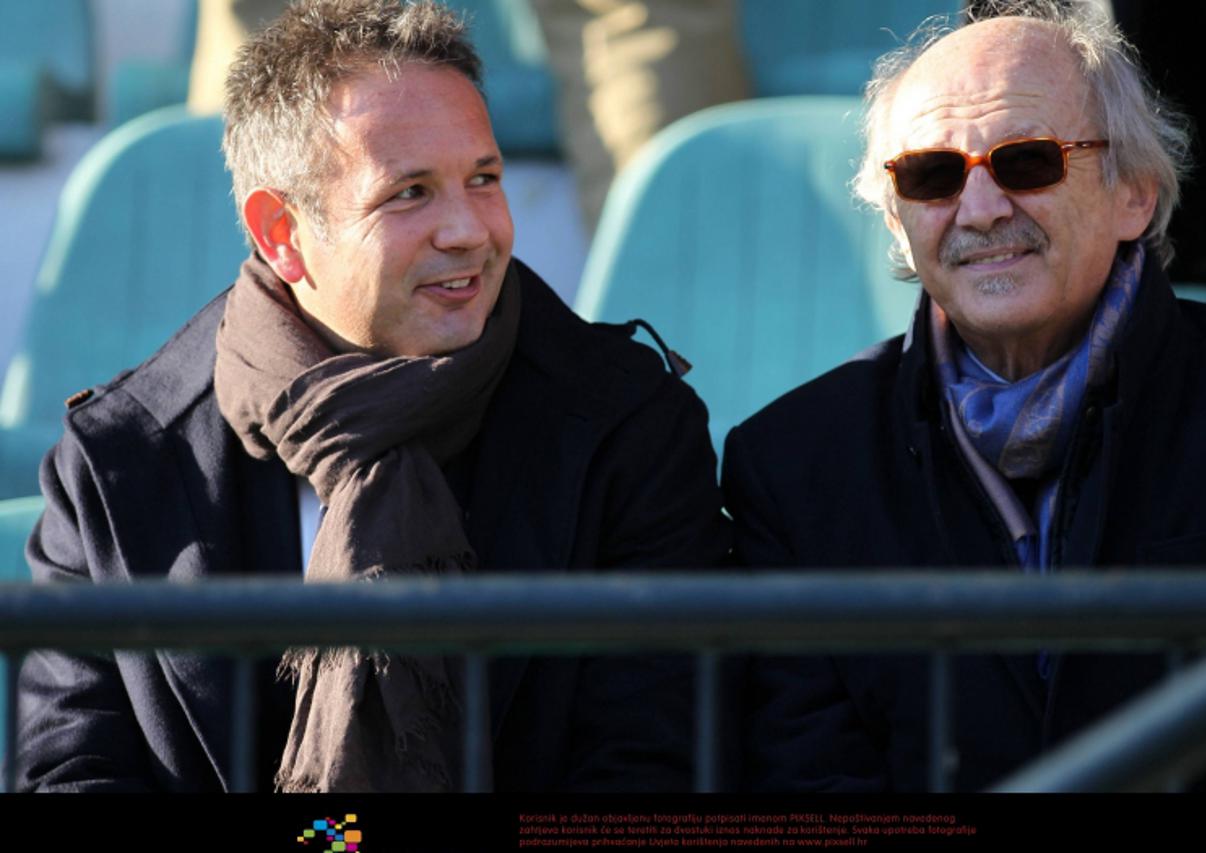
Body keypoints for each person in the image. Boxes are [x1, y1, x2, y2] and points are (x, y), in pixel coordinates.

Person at [17, 0, 727, 792]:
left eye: (484, 178)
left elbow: (650, 764)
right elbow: (74, 770)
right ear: (280, 232)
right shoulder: (120, 463)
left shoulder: (629, 425)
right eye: (410, 193)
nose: (469, 230)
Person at [724, 0, 1206, 791]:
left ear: (1137, 194)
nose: (980, 210)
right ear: (897, 222)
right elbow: (808, 775)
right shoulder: (792, 462)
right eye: (931, 175)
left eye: (1027, 161)